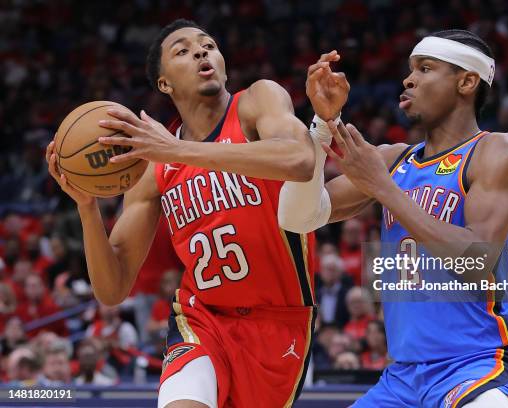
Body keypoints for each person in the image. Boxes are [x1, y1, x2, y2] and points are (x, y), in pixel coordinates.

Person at [46, 18, 347, 408]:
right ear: (164, 83)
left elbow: (300, 159)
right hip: (200, 317)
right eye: (183, 51)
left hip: (280, 321)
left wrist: (175, 151)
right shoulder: (153, 161)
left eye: (208, 45)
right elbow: (112, 287)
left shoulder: (256, 101)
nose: (201, 52)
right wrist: (87, 207)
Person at [281, 30, 508, 407]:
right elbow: (299, 217)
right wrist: (320, 126)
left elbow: (478, 262)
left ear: (467, 81)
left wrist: (385, 189)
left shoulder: (497, 151)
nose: (408, 79)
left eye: (425, 69)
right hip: (402, 377)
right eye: (410, 69)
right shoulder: (393, 159)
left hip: (478, 366)